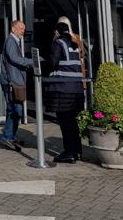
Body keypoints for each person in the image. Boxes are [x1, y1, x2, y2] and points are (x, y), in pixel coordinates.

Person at [45, 21, 84, 164]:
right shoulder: (75, 44)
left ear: (56, 32)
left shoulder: (58, 43)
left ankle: (69, 153)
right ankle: (77, 151)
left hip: (63, 90)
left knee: (65, 123)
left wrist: (43, 64)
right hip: (77, 90)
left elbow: (53, 62)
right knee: (75, 123)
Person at [0, 19, 31, 152]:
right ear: (13, 29)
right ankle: (7, 137)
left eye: (24, 28)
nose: (23, 31)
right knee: (15, 110)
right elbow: (14, 58)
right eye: (21, 28)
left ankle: (10, 136)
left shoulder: (14, 41)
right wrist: (31, 62)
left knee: (13, 110)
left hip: (13, 81)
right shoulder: (11, 41)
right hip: (10, 82)